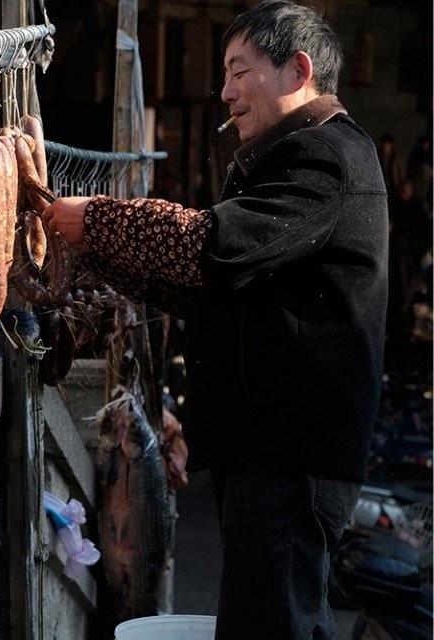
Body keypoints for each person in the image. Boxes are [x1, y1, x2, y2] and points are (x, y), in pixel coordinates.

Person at [42, 2, 388, 638]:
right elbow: (214, 288)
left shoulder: (326, 157)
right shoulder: (287, 158)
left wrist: (99, 219)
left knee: (270, 625)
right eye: (225, 75)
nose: (225, 92)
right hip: (268, 448)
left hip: (290, 452)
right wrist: (97, 255)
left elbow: (213, 245)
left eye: (239, 71)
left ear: (298, 71)